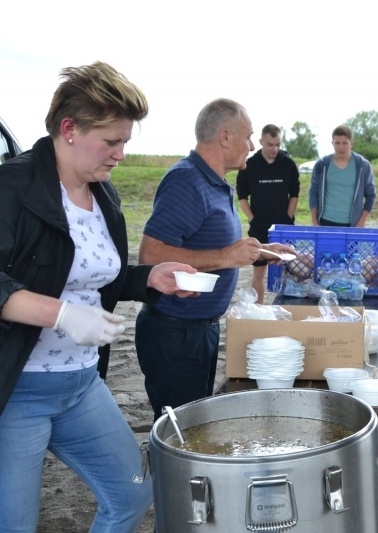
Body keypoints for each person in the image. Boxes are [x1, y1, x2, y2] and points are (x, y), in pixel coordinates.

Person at [0, 61, 196, 532]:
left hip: (82, 384)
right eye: (112, 141)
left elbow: (91, 276)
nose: (121, 155)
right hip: (17, 392)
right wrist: (61, 314)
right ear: (69, 129)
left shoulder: (101, 193)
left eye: (125, 142)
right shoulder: (11, 187)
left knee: (131, 494)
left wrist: (149, 278)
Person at [135, 98, 295, 421]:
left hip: (199, 330)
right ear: (225, 137)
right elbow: (149, 255)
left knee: (194, 429)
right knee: (180, 434)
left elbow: (213, 244)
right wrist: (226, 256)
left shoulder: (217, 182)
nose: (252, 145)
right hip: (174, 333)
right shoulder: (186, 180)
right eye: (248, 136)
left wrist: (262, 249)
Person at [236, 124, 300, 304]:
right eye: (270, 145)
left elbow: (294, 193)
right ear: (261, 142)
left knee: (291, 270)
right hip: (260, 227)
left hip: (284, 226)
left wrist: (288, 217)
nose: (275, 149)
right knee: (258, 273)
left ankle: (290, 308)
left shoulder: (288, 164)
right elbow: (242, 196)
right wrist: (252, 218)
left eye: (278, 144)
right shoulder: (250, 165)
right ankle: (258, 310)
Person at [308, 124, 376, 227]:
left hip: (352, 224)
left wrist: (361, 222)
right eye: (337, 143)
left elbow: (371, 195)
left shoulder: (362, 165)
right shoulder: (322, 164)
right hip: (325, 221)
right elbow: (313, 192)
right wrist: (314, 220)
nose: (341, 147)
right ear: (332, 143)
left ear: (351, 143)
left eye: (345, 143)